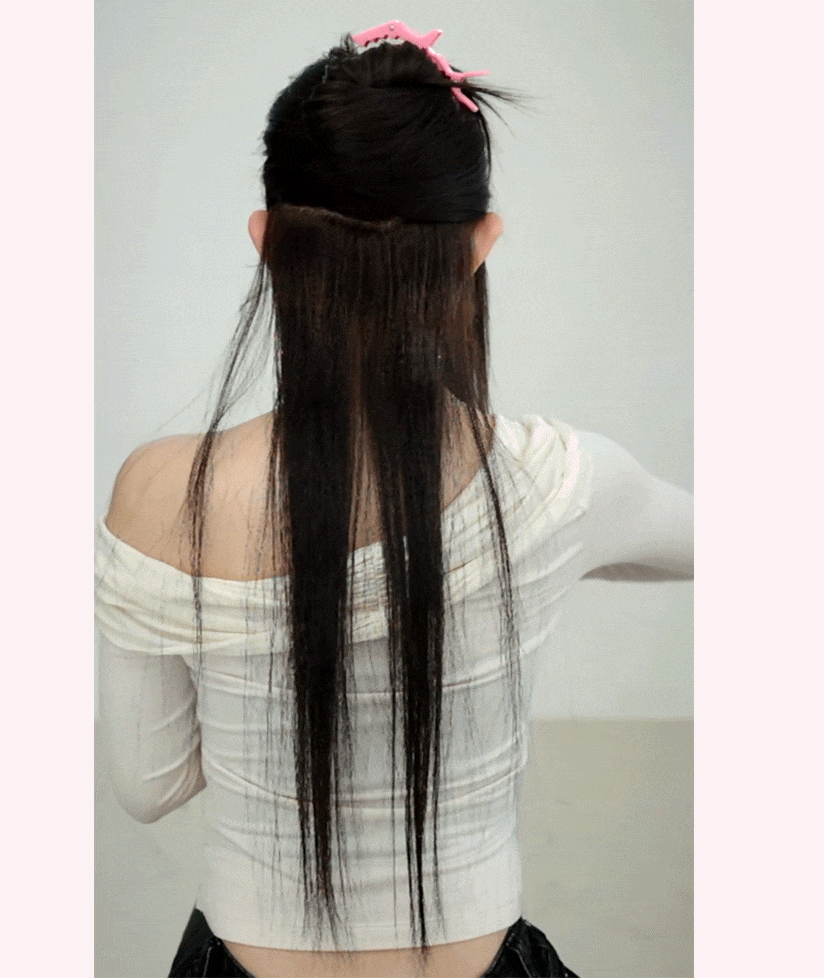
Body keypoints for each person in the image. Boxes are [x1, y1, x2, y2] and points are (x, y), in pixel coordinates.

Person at [95, 24, 693, 978]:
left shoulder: (162, 491)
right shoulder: (563, 484)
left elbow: (150, 783)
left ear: (266, 243)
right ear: (478, 245)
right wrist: (573, 548)